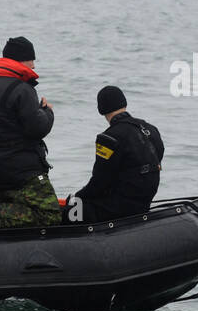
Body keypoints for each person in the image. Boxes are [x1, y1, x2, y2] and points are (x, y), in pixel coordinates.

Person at [0, 36, 61, 228]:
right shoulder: (23, 89)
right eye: (31, 60)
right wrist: (47, 112)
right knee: (50, 215)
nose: (34, 66)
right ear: (21, 60)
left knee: (11, 211)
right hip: (24, 173)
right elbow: (37, 128)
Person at [69, 86, 164, 222]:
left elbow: (99, 181)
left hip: (121, 205)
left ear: (101, 109)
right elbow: (157, 159)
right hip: (145, 201)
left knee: (69, 213)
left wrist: (77, 198)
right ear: (124, 103)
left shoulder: (108, 138)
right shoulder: (151, 129)